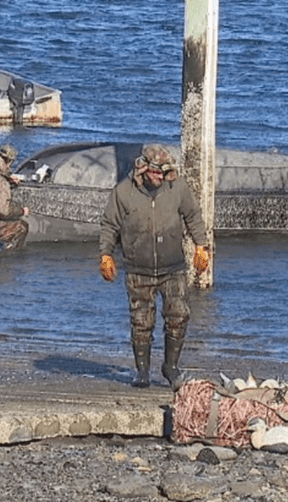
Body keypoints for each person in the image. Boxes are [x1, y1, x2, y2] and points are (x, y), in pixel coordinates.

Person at [98, 144, 211, 389]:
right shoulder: (123, 192)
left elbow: (193, 216)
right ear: (144, 169)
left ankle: (171, 366)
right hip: (138, 268)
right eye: (157, 173)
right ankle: (142, 371)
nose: (161, 177)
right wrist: (106, 254)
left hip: (173, 267)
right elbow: (109, 225)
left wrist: (201, 245)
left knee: (179, 315)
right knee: (141, 321)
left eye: (165, 173)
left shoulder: (177, 187)